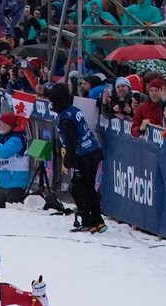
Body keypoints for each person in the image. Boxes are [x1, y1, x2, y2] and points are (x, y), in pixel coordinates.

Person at [47, 83, 106, 233]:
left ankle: (89, 220)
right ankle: (97, 220)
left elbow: (71, 142)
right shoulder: (74, 110)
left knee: (80, 189)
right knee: (87, 188)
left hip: (84, 156)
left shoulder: (65, 118)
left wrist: (68, 161)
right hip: (92, 151)